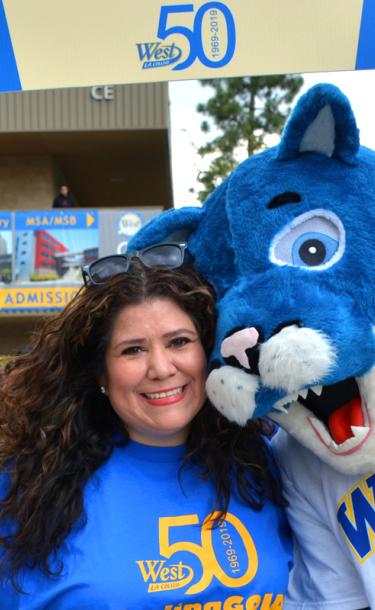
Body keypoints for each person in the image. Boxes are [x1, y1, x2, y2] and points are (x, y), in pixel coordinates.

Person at [0, 243, 292, 609]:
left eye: (179, 342)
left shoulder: (264, 464)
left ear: (209, 350)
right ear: (100, 373)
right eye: (132, 350)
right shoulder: (25, 487)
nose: (161, 368)